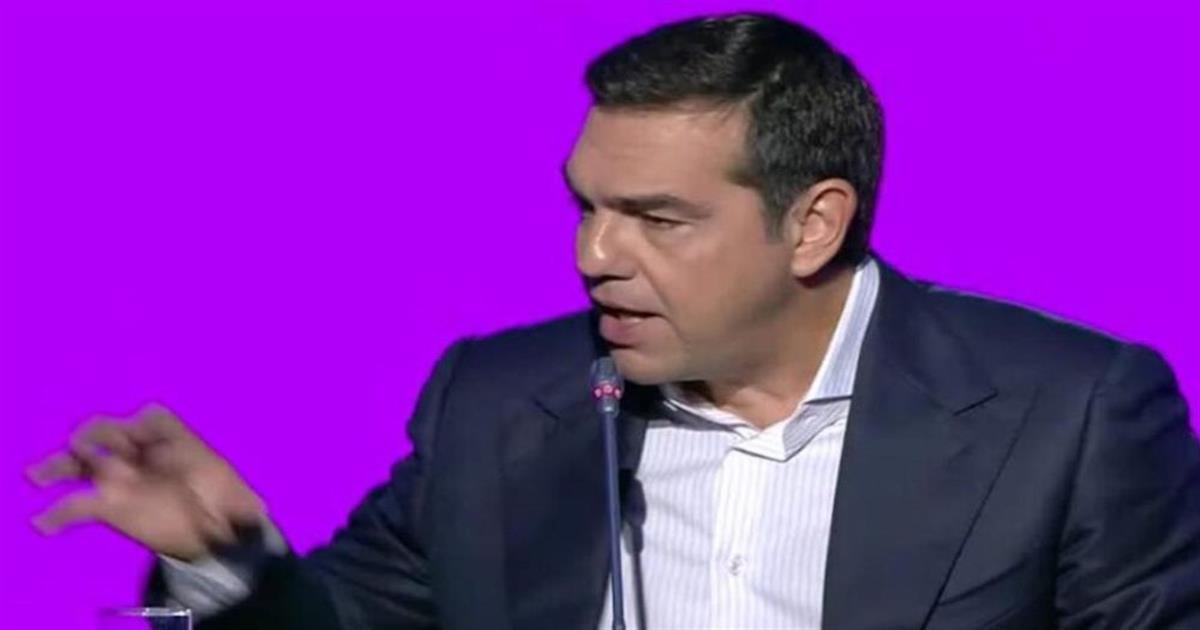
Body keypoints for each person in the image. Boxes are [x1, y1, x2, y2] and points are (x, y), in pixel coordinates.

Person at [27, 12, 1200, 630]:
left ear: (813, 225)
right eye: (587, 207)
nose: (596, 256)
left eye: (656, 219)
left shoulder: (1069, 414)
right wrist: (224, 563)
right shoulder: (500, 404)